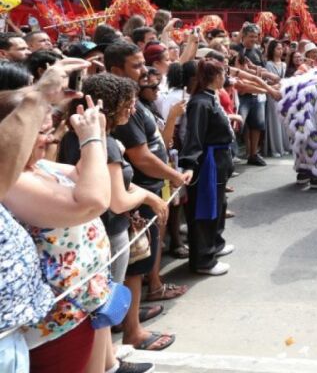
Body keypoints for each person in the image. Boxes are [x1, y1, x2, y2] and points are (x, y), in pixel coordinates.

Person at [59, 74, 164, 372]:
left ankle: (110, 362)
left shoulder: (73, 136)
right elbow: (117, 200)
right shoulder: (105, 144)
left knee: (99, 307)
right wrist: (146, 196)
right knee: (101, 310)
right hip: (109, 232)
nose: (131, 111)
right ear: (113, 106)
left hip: (90, 230)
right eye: (128, 104)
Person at [2, 94, 111, 373]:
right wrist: (91, 141)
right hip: (57, 321)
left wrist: (96, 132)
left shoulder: (38, 167)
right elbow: (91, 202)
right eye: (42, 132)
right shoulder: (12, 181)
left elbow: (87, 176)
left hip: (84, 304)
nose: (51, 140)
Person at [106, 41, 190, 351]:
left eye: (145, 64)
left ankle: (132, 318)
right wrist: (173, 176)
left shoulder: (136, 102)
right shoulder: (119, 108)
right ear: (116, 71)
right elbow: (140, 158)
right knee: (131, 268)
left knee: (140, 263)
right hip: (135, 199)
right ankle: (131, 330)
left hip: (148, 192)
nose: (146, 73)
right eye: (137, 66)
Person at [179, 59, 236, 276]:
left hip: (220, 159)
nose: (225, 77)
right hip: (209, 162)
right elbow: (195, 136)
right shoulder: (200, 102)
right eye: (223, 72)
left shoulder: (210, 98)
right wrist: (190, 163)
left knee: (219, 205)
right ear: (214, 76)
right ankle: (203, 259)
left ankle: (215, 245)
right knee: (206, 211)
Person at [232, 23, 267, 166]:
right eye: (251, 36)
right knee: (237, 125)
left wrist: (256, 71)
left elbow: (262, 69)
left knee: (257, 124)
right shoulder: (237, 50)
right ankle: (231, 155)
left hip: (256, 93)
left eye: (256, 36)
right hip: (241, 93)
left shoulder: (257, 51)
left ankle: (253, 154)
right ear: (243, 36)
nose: (254, 39)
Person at [262, 40, 289, 157]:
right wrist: (277, 84)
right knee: (274, 121)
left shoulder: (284, 64)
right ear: (272, 50)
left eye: (281, 48)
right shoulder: (268, 64)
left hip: (282, 93)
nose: (281, 50)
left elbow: (283, 79)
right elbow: (269, 81)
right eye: (278, 48)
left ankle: (283, 146)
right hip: (272, 94)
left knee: (283, 120)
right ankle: (275, 149)